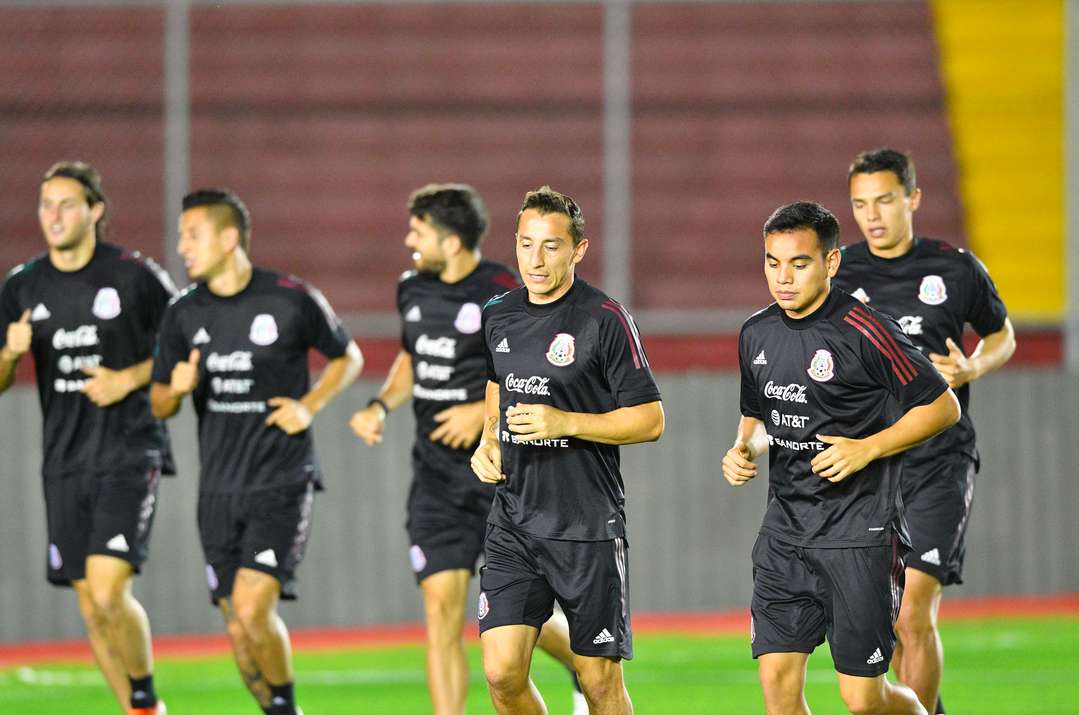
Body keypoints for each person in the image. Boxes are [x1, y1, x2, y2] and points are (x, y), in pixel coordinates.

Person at [349, 183, 586, 715]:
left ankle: (577, 659)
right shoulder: (411, 288)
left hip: (500, 472)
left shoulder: (504, 291)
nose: (409, 240)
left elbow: (533, 368)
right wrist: (380, 405)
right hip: (434, 477)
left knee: (517, 611)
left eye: (418, 230)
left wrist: (478, 414)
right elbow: (413, 357)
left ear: (450, 240)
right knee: (440, 610)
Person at [722, 201, 961, 715]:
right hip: (785, 535)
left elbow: (944, 407)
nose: (782, 277)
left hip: (860, 535)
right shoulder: (755, 333)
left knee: (863, 700)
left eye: (799, 263)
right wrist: (744, 448)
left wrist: (866, 448)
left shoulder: (866, 330)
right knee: (778, 689)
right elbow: (759, 415)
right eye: (772, 262)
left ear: (830, 264)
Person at [150, 189, 363, 715]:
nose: (182, 247)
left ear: (228, 238)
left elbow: (347, 357)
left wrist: (309, 406)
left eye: (191, 235)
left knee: (251, 605)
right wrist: (175, 387)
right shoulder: (181, 314)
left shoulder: (290, 297)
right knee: (238, 626)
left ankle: (289, 709)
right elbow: (158, 404)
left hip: (281, 479)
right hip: (218, 490)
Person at [833, 148, 1016, 714]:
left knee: (913, 608)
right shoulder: (841, 272)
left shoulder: (956, 268)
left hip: (940, 460)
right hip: (873, 465)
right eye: (861, 204)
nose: (873, 215)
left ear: (912, 199)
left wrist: (973, 366)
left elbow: (1002, 335)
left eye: (884, 200)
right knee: (878, 621)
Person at [471, 186, 664, 715]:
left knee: (599, 682)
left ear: (578, 250)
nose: (535, 258)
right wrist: (488, 439)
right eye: (526, 244)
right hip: (513, 518)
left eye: (551, 246)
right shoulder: (498, 314)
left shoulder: (605, 318)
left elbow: (651, 420)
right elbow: (497, 385)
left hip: (586, 525)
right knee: (501, 672)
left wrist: (566, 422)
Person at [0, 161, 175, 715]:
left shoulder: (134, 275)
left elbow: (189, 345)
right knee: (90, 604)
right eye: (45, 204)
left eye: (66, 204)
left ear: (95, 211)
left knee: (106, 590)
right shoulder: (23, 285)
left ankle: (144, 689)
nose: (53, 215)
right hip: (63, 460)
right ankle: (139, 710)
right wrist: (10, 351)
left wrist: (128, 377)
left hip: (128, 448)